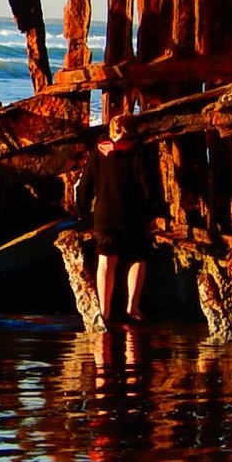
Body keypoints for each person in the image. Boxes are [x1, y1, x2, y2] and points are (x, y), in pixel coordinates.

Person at [75, 113, 163, 325]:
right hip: (133, 216)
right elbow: (149, 187)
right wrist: (155, 211)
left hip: (105, 216)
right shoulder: (140, 154)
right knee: (137, 258)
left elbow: (84, 187)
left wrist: (84, 212)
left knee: (106, 261)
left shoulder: (98, 153)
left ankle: (104, 312)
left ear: (111, 132)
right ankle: (132, 307)